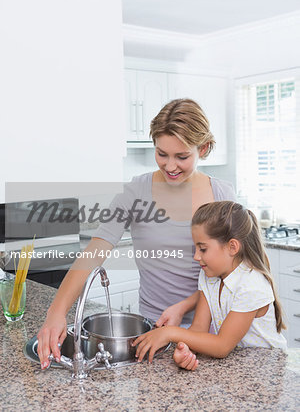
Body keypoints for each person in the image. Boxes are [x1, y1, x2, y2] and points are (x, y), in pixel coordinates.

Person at [37, 98, 236, 369]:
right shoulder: (135, 192)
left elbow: (232, 276)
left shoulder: (222, 194)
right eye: (161, 153)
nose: (170, 166)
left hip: (211, 334)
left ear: (203, 148)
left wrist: (184, 308)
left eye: (182, 156)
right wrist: (56, 312)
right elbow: (95, 251)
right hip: (152, 334)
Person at [132, 201, 287, 370]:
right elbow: (198, 329)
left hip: (267, 370)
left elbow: (222, 346)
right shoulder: (209, 275)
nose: (196, 257)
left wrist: (170, 333)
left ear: (232, 247)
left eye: (203, 249)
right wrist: (184, 351)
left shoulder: (251, 284)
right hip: (238, 367)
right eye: (195, 249)